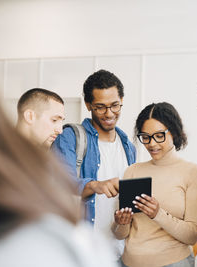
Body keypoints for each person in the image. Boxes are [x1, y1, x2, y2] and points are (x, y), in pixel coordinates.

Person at [0, 23, 117, 267]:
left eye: (61, 121)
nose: (59, 128)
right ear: (30, 116)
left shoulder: (43, 160)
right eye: (55, 120)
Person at [112, 102, 197, 267]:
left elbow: (192, 236)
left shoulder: (192, 173)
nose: (151, 143)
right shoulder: (132, 171)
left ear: (174, 132)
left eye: (159, 135)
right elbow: (120, 234)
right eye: (145, 137)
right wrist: (121, 223)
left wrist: (158, 214)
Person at [52, 69, 136, 255]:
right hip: (83, 253)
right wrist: (95, 185)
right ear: (88, 105)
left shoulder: (129, 147)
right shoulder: (70, 138)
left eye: (115, 105)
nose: (109, 113)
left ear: (122, 100)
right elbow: (60, 185)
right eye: (100, 107)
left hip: (120, 252)